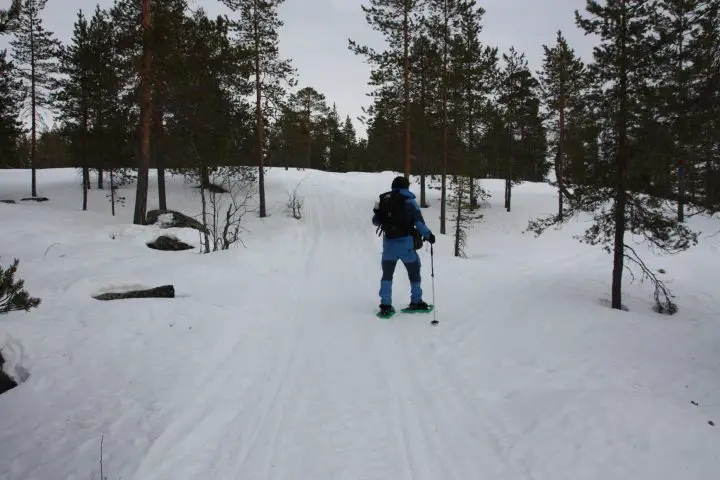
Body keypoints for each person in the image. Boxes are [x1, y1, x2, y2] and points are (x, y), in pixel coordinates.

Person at [372, 176, 436, 316]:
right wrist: (429, 236)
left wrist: (377, 211)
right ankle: (416, 301)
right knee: (414, 272)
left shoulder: (384, 201)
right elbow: (419, 224)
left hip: (388, 246)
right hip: (406, 246)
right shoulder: (410, 202)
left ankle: (386, 305)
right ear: (406, 187)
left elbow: (376, 222)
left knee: (387, 275)